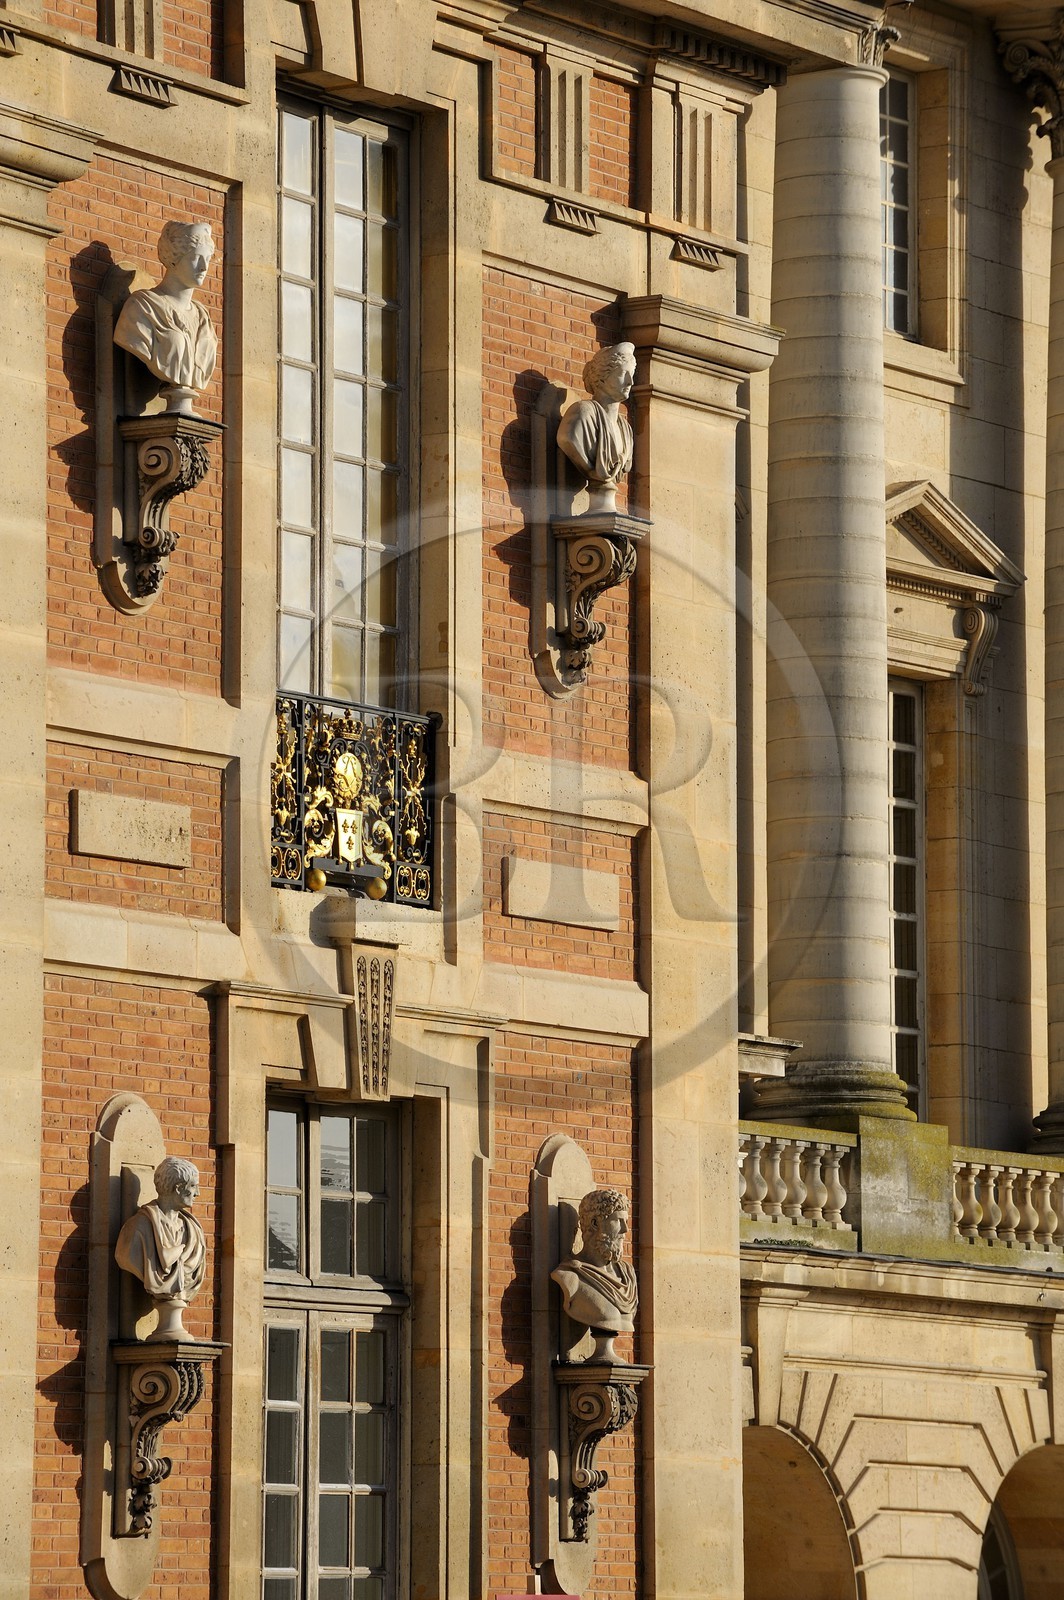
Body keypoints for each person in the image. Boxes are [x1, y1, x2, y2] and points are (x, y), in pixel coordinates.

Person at [113, 219, 217, 413]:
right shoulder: (143, 308)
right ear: (173, 258)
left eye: (208, 259)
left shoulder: (203, 319)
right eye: (196, 258)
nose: (204, 267)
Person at [115, 1155, 207, 1340]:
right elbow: (126, 1256)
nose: (198, 1193)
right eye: (193, 1186)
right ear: (178, 1188)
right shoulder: (139, 1229)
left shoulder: (194, 1233)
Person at [551, 1186, 638, 1363]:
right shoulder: (570, 1275)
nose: (625, 1230)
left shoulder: (627, 1275)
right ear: (595, 1223)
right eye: (618, 1221)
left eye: (626, 1221)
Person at [556, 342, 636, 513]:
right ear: (602, 376)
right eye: (623, 374)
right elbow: (568, 438)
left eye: (632, 374)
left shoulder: (626, 430)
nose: (630, 381)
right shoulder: (582, 413)